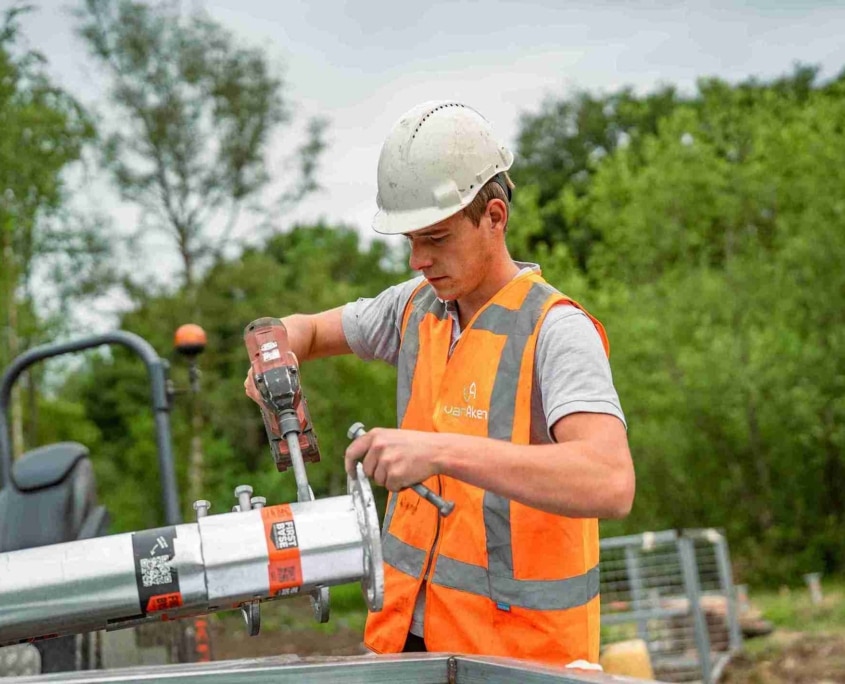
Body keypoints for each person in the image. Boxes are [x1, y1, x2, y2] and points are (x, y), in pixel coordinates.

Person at [245, 101, 634, 668]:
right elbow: (302, 330)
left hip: (517, 661)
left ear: (494, 217)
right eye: (410, 240)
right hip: (408, 644)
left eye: (436, 237)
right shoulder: (416, 308)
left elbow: (610, 481)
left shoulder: (556, 331)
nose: (418, 259)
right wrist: (273, 355)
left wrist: (439, 451)